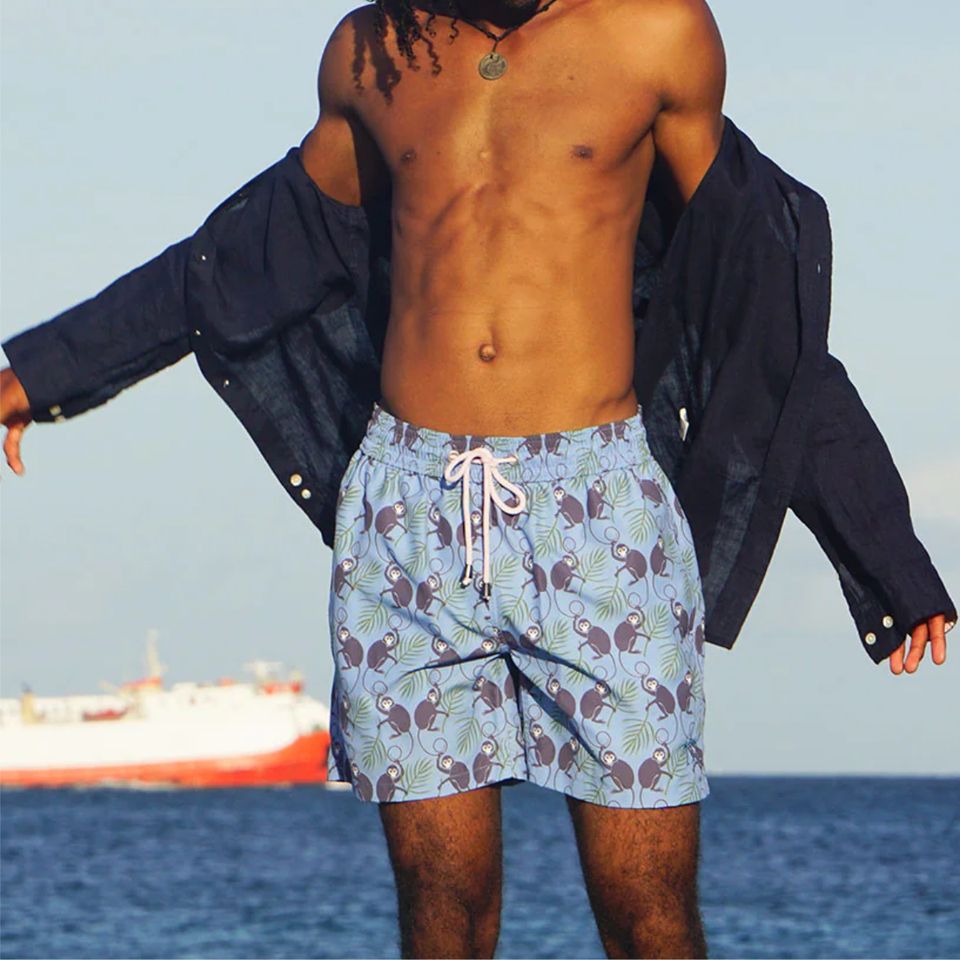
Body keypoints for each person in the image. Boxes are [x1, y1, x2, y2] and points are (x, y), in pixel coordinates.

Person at [1, 3, 953, 958]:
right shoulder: (374, 53)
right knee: (442, 911)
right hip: (410, 514)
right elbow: (235, 263)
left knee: (647, 911)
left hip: (599, 516)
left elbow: (760, 306)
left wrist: (882, 547)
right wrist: (40, 375)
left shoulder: (655, 34)